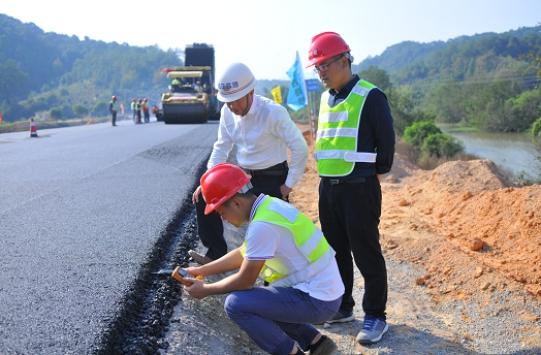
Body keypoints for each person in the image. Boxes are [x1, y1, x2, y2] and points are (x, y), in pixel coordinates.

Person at [184, 163, 344, 355]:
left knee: (237, 304)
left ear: (236, 203)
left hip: (318, 300)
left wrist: (206, 290)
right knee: (260, 300)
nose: (223, 218)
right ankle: (318, 343)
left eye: (221, 212)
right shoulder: (269, 206)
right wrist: (200, 271)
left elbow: (245, 281)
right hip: (323, 290)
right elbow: (242, 254)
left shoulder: (263, 226)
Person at [305, 32, 395, 344]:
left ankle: (375, 316)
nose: (321, 73)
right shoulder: (325, 99)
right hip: (328, 189)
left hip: (359, 189)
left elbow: (386, 152)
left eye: (324, 65)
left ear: (344, 60)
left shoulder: (372, 97)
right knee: (335, 252)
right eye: (317, 69)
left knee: (366, 253)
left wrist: (367, 177)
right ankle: (343, 306)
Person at [190, 62, 308, 265]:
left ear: (250, 92)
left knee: (272, 230)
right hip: (242, 177)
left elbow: (300, 147)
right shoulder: (227, 112)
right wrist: (208, 181)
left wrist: (288, 184)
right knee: (202, 196)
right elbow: (222, 146)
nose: (232, 106)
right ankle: (216, 252)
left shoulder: (273, 113)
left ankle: (276, 279)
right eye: (227, 102)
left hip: (272, 177)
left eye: (235, 101)